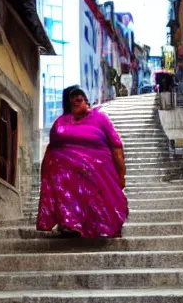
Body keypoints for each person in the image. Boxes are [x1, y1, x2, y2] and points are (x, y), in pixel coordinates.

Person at [37, 87, 128, 238]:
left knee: (91, 182)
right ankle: (69, 222)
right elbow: (52, 147)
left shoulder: (100, 119)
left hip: (97, 169)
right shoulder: (61, 122)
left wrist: (121, 174)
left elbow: (116, 145)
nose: (76, 104)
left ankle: (99, 225)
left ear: (86, 101)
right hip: (67, 171)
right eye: (72, 103)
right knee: (60, 168)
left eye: (79, 100)